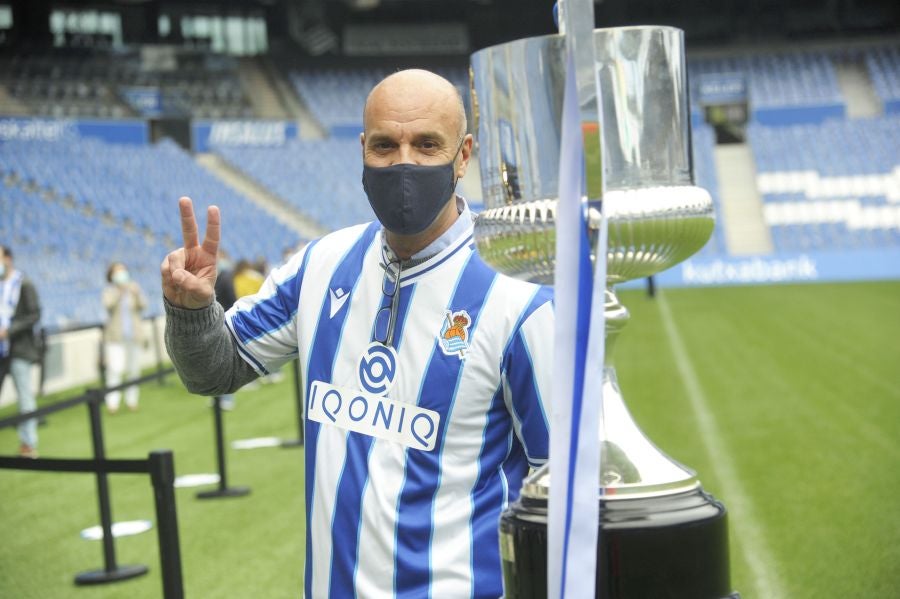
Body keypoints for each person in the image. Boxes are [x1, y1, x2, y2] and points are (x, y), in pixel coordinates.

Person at [161, 69, 554, 598]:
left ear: (464, 156)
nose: (405, 163)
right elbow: (215, 368)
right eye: (386, 145)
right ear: (362, 150)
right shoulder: (324, 263)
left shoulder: (521, 296)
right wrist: (191, 312)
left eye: (427, 144)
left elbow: (566, 490)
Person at [0, 245, 42, 458]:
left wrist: (8, 331)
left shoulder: (24, 284)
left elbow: (34, 314)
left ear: (8, 258)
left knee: (25, 396)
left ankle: (29, 444)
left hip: (19, 348)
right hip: (1, 351)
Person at [102, 262, 147, 413]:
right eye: (117, 272)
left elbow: (143, 306)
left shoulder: (133, 289)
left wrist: (137, 293)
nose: (121, 274)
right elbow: (108, 306)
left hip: (133, 336)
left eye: (123, 271)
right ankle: (112, 402)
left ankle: (131, 400)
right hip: (115, 337)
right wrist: (120, 293)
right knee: (115, 369)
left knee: (133, 370)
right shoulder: (109, 291)